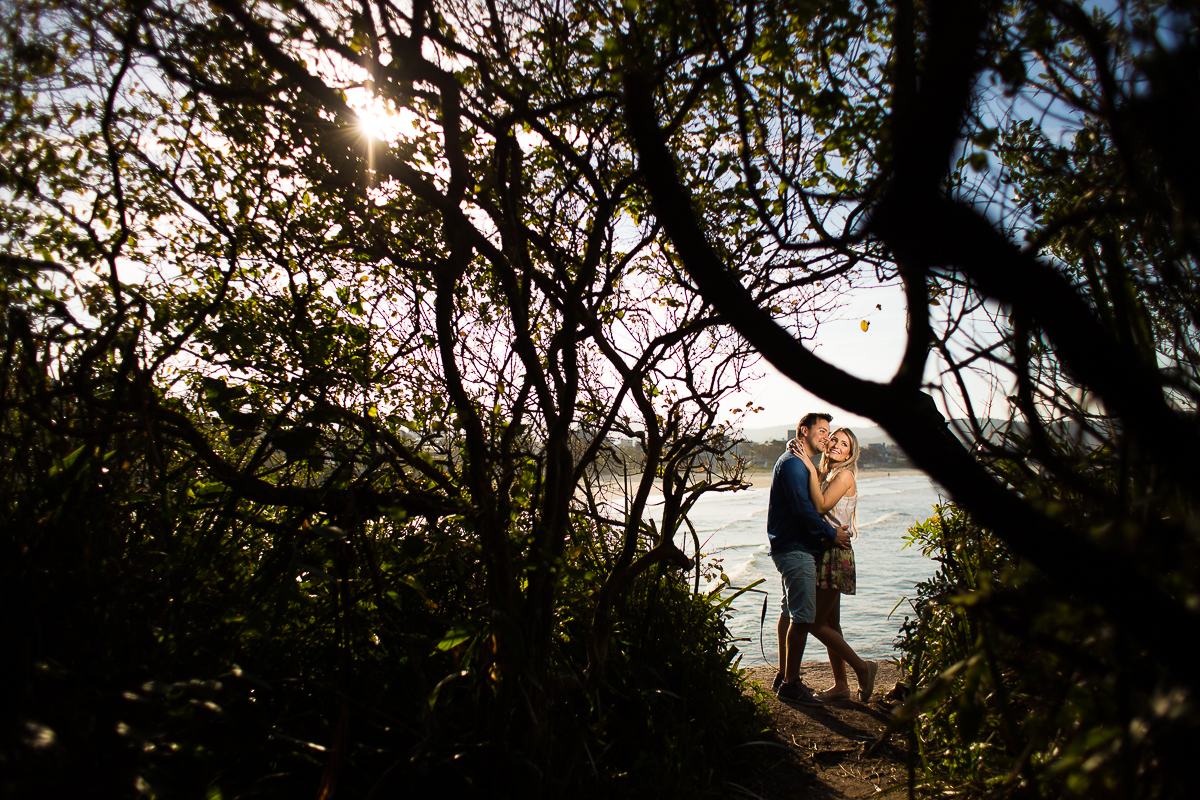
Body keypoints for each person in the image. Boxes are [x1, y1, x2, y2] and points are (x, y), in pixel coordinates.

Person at [768, 414, 878, 706]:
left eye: (843, 443)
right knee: (831, 622)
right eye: (832, 438)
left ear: (851, 453)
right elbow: (814, 498)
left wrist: (805, 462)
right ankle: (841, 684)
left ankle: (863, 669)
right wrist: (807, 462)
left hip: (834, 551)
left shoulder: (842, 475)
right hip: (826, 549)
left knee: (815, 622)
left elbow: (817, 506)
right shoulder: (826, 473)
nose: (835, 444)